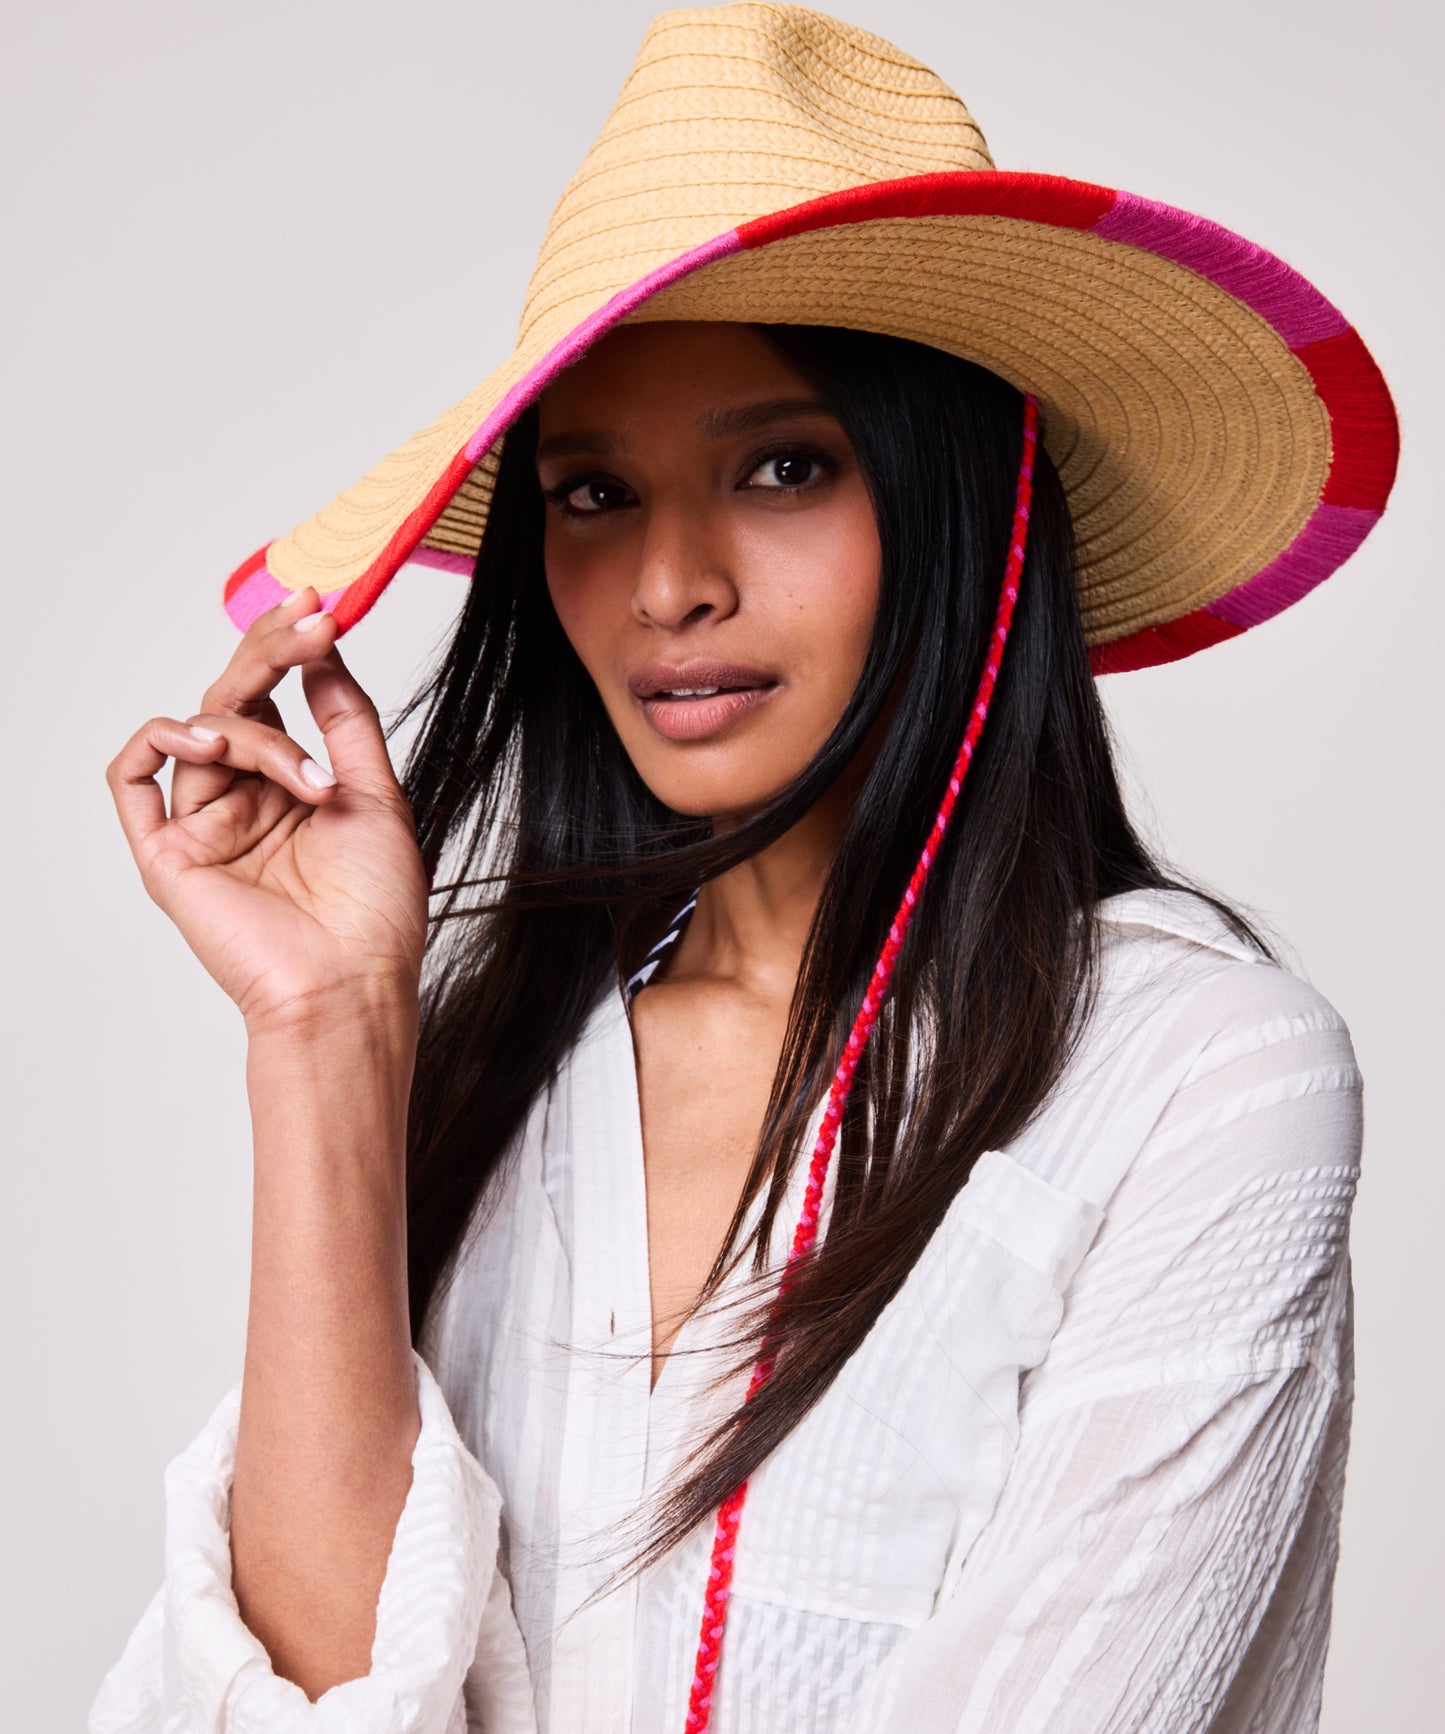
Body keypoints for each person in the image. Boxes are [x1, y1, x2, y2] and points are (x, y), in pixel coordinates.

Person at [92, 6, 1398, 1732]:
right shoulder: (499, 1065)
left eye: (782, 466)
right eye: (592, 493)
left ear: (964, 503)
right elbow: (292, 1697)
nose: (667, 583)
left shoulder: (1195, 1076)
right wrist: (327, 1028)